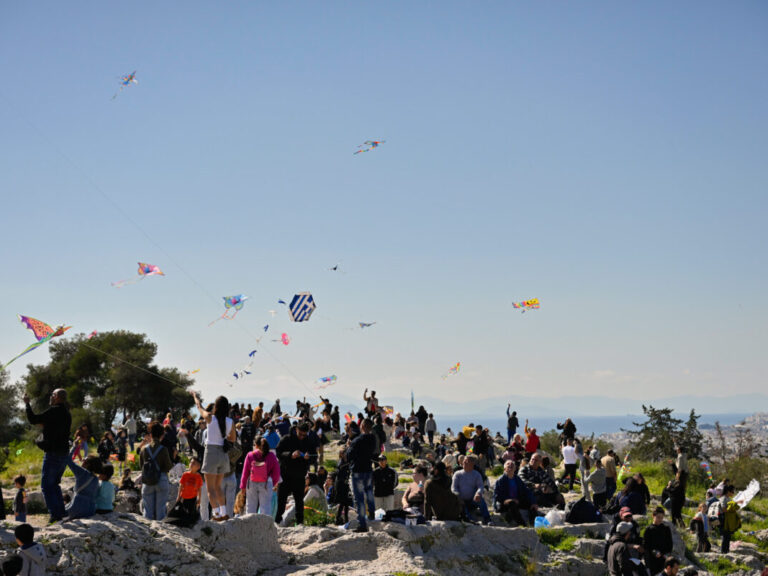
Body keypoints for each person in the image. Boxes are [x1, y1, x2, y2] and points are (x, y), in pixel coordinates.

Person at [23, 389, 72, 523]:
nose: (50, 397)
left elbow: (33, 419)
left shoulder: (54, 411)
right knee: (55, 484)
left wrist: (27, 404)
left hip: (53, 454)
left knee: (46, 486)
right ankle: (61, 513)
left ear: (56, 397)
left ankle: (55, 516)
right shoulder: (67, 414)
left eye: (52, 395)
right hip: (64, 454)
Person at [192, 392, 236, 522]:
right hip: (223, 454)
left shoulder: (210, 418)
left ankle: (216, 515)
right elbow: (232, 439)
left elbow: (199, 407)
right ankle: (224, 513)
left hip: (211, 452)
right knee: (218, 487)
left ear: (215, 406)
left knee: (210, 488)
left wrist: (195, 396)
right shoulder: (230, 421)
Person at [275, 422, 317, 525]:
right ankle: (277, 521)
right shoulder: (287, 439)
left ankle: (299, 523)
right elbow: (278, 452)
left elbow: (314, 456)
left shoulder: (309, 441)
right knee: (281, 500)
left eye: (304, 434)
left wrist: (309, 457)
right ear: (296, 430)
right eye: (300, 434)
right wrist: (290, 455)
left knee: (299, 501)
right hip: (285, 474)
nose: (302, 437)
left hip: (300, 476)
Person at [347, 418, 377, 532]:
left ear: (363, 426)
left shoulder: (357, 440)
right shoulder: (373, 439)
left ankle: (362, 524)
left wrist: (349, 446)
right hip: (368, 469)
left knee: (359, 498)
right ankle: (372, 513)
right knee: (369, 492)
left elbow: (349, 456)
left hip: (358, 471)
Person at [139, 421, 173, 521]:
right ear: (162, 435)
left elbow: (142, 466)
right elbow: (168, 467)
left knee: (147, 511)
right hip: (161, 479)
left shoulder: (144, 449)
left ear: (151, 434)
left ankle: (147, 534)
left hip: (147, 481)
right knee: (161, 511)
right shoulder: (163, 449)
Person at [241, 436, 281, 515]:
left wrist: (243, 486)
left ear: (256, 445)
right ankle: (264, 526)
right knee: (265, 507)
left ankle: (250, 525)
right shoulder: (271, 456)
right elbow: (277, 473)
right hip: (266, 483)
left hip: (252, 482)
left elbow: (245, 472)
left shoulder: (250, 455)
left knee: (250, 507)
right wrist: (272, 483)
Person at [493, 460, 537, 526]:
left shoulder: (517, 479)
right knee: (512, 504)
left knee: (531, 504)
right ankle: (522, 525)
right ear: (505, 468)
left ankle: (533, 523)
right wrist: (507, 499)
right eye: (508, 464)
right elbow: (497, 495)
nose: (510, 465)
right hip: (504, 503)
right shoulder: (501, 480)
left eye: (512, 465)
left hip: (517, 501)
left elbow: (526, 491)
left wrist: (533, 502)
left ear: (515, 468)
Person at [452, 455, 490, 525]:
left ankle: (487, 519)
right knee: (462, 505)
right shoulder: (457, 474)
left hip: (473, 500)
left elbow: (480, 486)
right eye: (464, 461)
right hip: (461, 501)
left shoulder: (476, 474)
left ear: (472, 464)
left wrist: (478, 493)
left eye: (467, 461)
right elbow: (453, 488)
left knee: (481, 500)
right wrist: (458, 495)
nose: (464, 462)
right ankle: (470, 520)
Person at [65, 455, 102, 520]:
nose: (82, 461)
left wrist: (74, 447)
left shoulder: (82, 472)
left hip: (77, 507)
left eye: (84, 460)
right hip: (90, 510)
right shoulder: (96, 479)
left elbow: (68, 461)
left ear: (87, 464)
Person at [643, 506, 673, 575]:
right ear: (653, 516)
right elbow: (646, 546)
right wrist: (654, 552)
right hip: (652, 560)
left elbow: (670, 544)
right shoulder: (648, 530)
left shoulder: (666, 529)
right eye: (658, 517)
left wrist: (666, 554)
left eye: (662, 518)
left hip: (664, 559)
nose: (660, 519)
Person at [721, 485, 741, 554]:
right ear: (728, 491)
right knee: (725, 536)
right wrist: (731, 508)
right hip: (724, 520)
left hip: (729, 520)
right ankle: (723, 551)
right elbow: (723, 510)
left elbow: (731, 506)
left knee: (728, 536)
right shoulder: (723, 498)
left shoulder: (729, 499)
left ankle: (726, 551)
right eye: (732, 491)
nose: (733, 493)